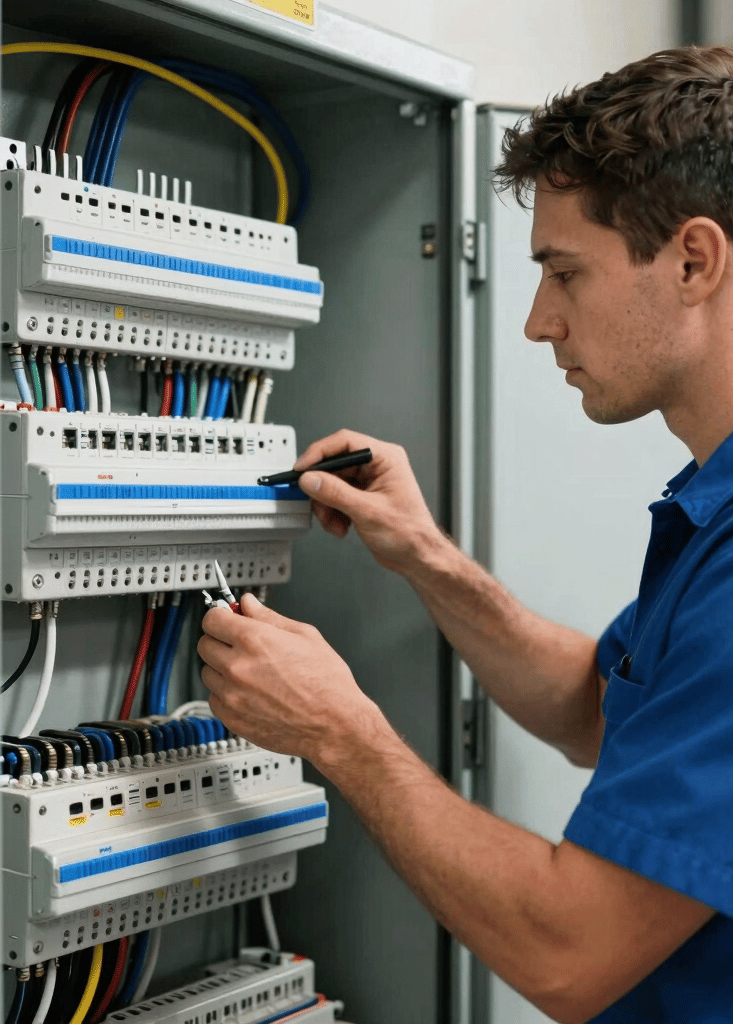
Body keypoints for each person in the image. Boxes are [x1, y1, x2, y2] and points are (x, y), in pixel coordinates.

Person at [197, 46, 733, 1023]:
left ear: (694, 261)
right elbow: (596, 711)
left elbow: (569, 952)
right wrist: (427, 556)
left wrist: (338, 728)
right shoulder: (710, 512)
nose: (537, 322)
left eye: (565, 274)